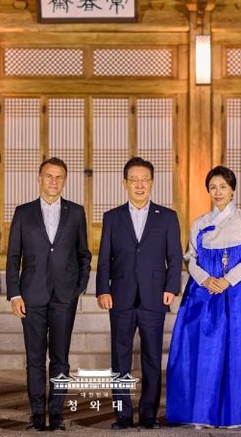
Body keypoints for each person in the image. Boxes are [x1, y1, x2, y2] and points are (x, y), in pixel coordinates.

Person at [166, 165, 241, 428]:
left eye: (223, 186)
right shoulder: (200, 222)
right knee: (206, 349)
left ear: (232, 190)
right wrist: (204, 279)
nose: (218, 191)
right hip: (206, 293)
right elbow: (190, 257)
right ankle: (202, 412)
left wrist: (228, 280)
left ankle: (240, 412)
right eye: (213, 187)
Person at [96, 157, 183, 430]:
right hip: (120, 296)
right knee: (119, 358)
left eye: (144, 180)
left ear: (152, 183)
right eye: (134, 180)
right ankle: (122, 415)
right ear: (125, 183)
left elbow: (175, 257)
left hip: (154, 296)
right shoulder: (112, 217)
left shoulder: (167, 217)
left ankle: (148, 414)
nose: (139, 185)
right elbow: (104, 258)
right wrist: (103, 289)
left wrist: (171, 287)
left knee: (152, 359)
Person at [6, 157, 92, 432]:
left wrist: (79, 286)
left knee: (60, 358)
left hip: (65, 296)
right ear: (39, 179)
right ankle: (36, 414)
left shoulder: (76, 212)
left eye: (59, 177)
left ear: (64, 181)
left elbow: (84, 253)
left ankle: (56, 413)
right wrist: (14, 294)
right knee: (34, 358)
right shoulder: (23, 212)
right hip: (31, 295)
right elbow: (13, 257)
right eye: (49, 176)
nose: (53, 181)